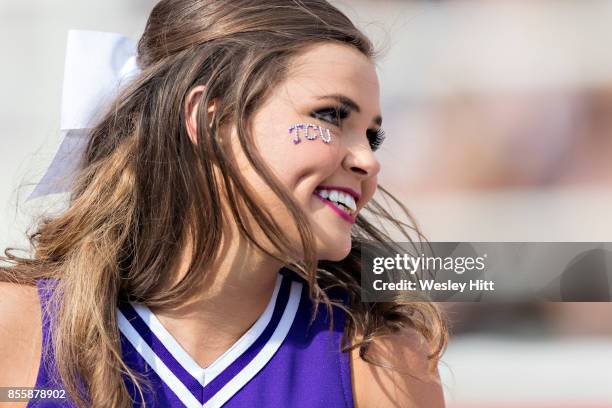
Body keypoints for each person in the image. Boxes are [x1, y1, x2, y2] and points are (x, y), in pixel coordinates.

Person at [0, 0, 447, 406]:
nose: (368, 160)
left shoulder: (379, 356)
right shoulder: (17, 327)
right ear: (206, 119)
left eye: (373, 136)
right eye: (330, 116)